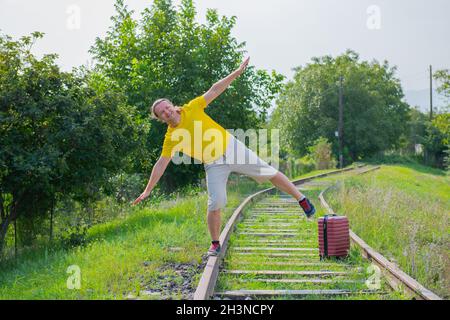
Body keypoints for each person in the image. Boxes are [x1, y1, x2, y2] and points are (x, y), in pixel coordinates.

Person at [132, 57, 315, 257]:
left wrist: (237, 72)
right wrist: (148, 190)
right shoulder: (171, 138)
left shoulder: (191, 108)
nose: (166, 112)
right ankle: (215, 243)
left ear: (171, 105)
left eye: (166, 107)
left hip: (231, 148)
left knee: (268, 171)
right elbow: (161, 164)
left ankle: (302, 199)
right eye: (162, 113)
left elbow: (215, 90)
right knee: (216, 202)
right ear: (160, 119)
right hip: (213, 164)